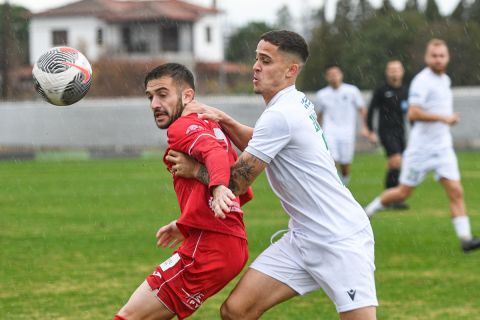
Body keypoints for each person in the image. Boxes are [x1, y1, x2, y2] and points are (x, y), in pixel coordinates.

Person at [167, 30, 377, 320]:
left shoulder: (282, 114)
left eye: (265, 61)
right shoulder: (292, 103)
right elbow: (263, 141)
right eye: (256, 59)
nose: (255, 67)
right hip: (303, 239)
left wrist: (195, 170)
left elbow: (237, 182)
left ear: (291, 70)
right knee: (236, 311)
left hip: (339, 238)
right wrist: (225, 120)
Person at [113, 63, 253, 320]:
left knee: (131, 317)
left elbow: (212, 154)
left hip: (211, 247)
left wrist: (218, 186)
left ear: (187, 96)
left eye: (163, 94)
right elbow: (239, 189)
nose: (154, 104)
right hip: (227, 242)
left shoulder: (182, 127)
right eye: (150, 97)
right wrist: (188, 221)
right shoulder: (212, 125)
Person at [365, 39, 480, 253]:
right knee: (401, 193)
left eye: (442, 55)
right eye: (434, 56)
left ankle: (466, 240)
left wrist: (444, 122)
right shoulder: (421, 81)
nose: (438, 59)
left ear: (447, 57)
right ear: (427, 58)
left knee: (456, 191)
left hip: (443, 148)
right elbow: (413, 113)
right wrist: (444, 118)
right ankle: (366, 213)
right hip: (421, 150)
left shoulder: (445, 79)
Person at [315, 65, 369, 185]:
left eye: (336, 74)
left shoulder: (352, 91)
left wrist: (365, 127)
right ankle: (334, 185)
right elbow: (319, 115)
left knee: (345, 163)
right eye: (331, 75)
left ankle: (344, 182)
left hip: (347, 131)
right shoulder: (322, 94)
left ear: (341, 75)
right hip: (329, 131)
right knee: (332, 159)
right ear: (327, 77)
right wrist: (316, 133)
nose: (334, 77)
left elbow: (362, 109)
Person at [366, 59, 409, 209]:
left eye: (397, 69)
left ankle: (391, 198)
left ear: (402, 72)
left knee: (395, 164)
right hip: (386, 132)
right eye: (391, 69)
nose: (394, 72)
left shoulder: (405, 91)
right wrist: (371, 131)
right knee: (396, 160)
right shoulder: (381, 91)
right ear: (387, 72)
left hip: (401, 132)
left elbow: (410, 111)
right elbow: (371, 111)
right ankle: (392, 199)